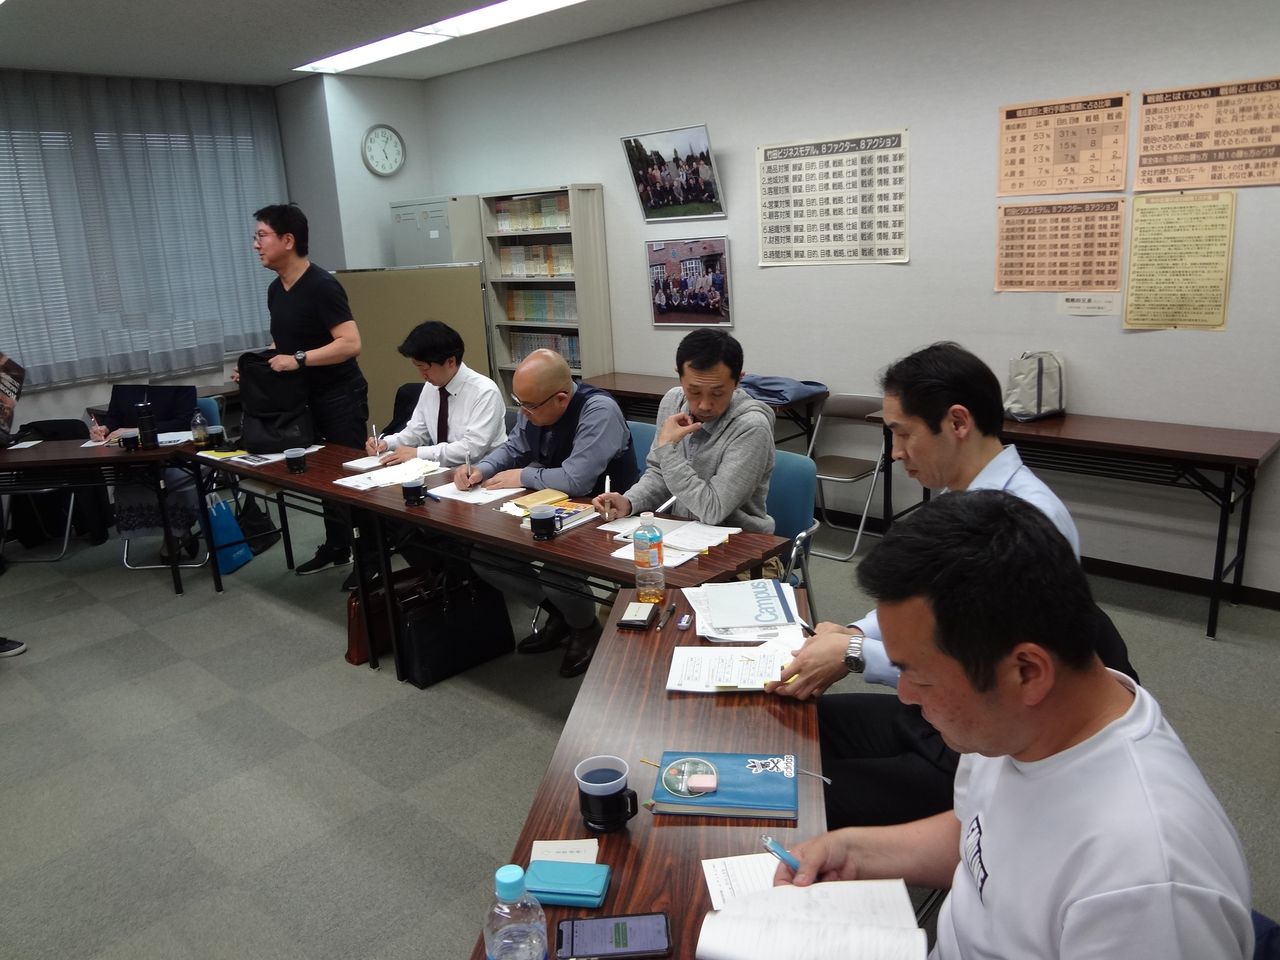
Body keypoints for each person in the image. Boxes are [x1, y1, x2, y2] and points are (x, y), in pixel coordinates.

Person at [773, 490, 1254, 960]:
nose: (905, 695)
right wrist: (854, 851)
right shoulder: (1018, 730)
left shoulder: (1146, 884)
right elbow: (979, 834)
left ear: (1026, 672)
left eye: (921, 677)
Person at [765, 342, 1135, 827]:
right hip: (938, 715)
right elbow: (925, 611)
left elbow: (982, 668)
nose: (895, 453)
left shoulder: (1025, 519)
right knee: (786, 730)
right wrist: (851, 634)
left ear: (958, 422)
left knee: (789, 794)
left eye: (903, 434)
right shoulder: (965, 499)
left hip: (983, 745)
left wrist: (854, 654)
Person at [454, 349, 636, 677]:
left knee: (557, 572)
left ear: (561, 398)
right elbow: (514, 447)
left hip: (603, 513)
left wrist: (523, 476)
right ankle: (563, 614)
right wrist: (482, 468)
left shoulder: (599, 410)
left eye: (529, 406)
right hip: (551, 506)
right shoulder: (536, 403)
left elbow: (577, 479)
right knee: (486, 557)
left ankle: (585, 629)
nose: (523, 412)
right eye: (518, 403)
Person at [250, 203, 369, 581]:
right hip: (304, 400)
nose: (256, 244)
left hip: (340, 396)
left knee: (349, 477)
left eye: (262, 236)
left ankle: (369, 557)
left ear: (288, 240)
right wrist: (261, 364)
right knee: (320, 477)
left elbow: (350, 343)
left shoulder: (321, 286)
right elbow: (284, 342)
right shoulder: (276, 290)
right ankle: (338, 544)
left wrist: (298, 359)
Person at [592, 328, 776, 538]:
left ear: (738, 381)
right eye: (694, 391)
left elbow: (713, 510)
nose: (704, 405)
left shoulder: (752, 427)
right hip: (683, 534)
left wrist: (667, 451)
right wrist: (629, 501)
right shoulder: (673, 402)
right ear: (679, 376)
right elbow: (660, 473)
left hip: (740, 542)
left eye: (718, 393)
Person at [365, 320, 506, 468]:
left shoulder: (484, 392)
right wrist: (386, 443)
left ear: (451, 362)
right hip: (441, 471)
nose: (421, 375)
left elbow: (471, 449)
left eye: (425, 368)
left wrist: (418, 454)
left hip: (482, 472)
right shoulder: (431, 387)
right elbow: (416, 432)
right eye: (418, 367)